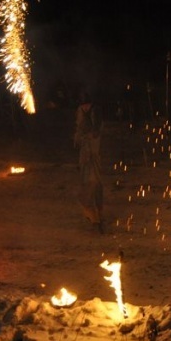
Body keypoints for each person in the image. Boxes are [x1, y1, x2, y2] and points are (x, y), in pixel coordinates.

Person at [74, 90, 106, 234]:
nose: (86, 107)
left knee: (96, 184)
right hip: (86, 158)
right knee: (89, 183)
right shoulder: (81, 113)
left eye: (88, 105)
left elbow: (96, 133)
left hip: (94, 156)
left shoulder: (95, 115)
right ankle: (92, 215)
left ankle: (98, 213)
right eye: (84, 105)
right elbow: (80, 133)